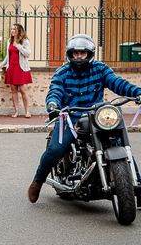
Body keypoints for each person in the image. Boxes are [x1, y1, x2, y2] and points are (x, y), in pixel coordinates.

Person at [28, 34, 141, 203]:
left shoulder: (100, 69)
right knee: (56, 149)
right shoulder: (63, 72)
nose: (79, 56)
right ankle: (38, 180)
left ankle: (136, 186)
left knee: (119, 143)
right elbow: (55, 90)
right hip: (69, 117)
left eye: (83, 53)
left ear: (90, 54)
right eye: (76, 53)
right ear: (70, 54)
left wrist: (138, 93)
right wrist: (52, 104)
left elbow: (117, 83)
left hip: (95, 116)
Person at [0, 23, 32, 118]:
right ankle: (16, 111)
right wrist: (2, 64)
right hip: (12, 68)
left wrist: (18, 46)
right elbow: (8, 55)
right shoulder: (9, 41)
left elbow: (28, 54)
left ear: (19, 31)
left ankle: (27, 111)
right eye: (11, 29)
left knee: (23, 90)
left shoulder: (25, 41)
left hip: (21, 68)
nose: (12, 31)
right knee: (13, 90)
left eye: (14, 29)